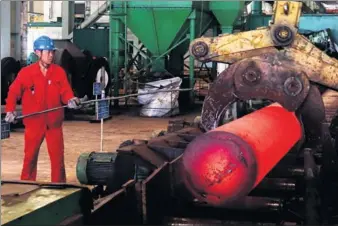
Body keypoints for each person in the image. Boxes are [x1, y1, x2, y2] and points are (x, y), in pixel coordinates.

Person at [4, 35, 82, 183]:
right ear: (37, 53)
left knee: (58, 160)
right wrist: (10, 110)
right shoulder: (27, 73)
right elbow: (13, 92)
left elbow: (65, 91)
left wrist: (71, 100)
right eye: (48, 52)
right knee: (30, 158)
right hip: (34, 123)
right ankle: (26, 186)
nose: (51, 55)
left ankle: (58, 189)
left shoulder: (58, 72)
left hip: (54, 124)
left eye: (52, 52)